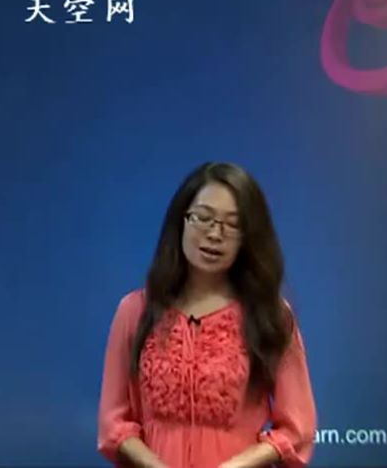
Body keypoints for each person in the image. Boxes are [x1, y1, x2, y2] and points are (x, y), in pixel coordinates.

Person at [97, 162, 317, 468]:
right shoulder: (135, 310)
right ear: (181, 222)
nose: (215, 234)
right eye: (203, 218)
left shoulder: (271, 315)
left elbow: (296, 429)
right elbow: (113, 423)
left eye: (232, 224)